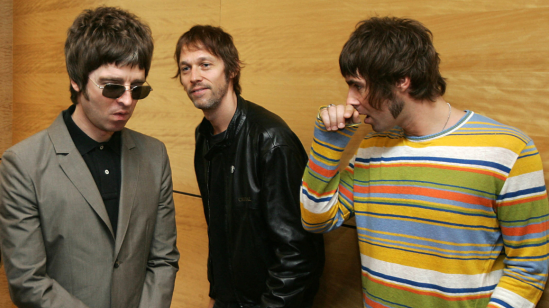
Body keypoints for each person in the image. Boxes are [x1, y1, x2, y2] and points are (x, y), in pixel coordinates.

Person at [300, 16, 549, 308]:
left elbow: (528, 269)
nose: (350, 100)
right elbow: (316, 219)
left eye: (358, 86)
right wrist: (328, 146)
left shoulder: (508, 151)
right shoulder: (371, 148)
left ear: (401, 79)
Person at [0, 7, 179, 308]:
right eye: (111, 86)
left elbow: (163, 260)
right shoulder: (23, 164)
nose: (127, 100)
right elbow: (27, 282)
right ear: (76, 79)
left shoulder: (154, 155)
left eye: (137, 88)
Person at [174, 25, 324, 308]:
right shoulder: (203, 136)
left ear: (231, 70)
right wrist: (216, 294)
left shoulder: (271, 140)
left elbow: (300, 255)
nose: (194, 77)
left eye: (205, 65)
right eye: (185, 68)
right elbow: (221, 231)